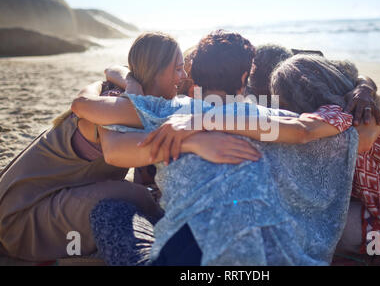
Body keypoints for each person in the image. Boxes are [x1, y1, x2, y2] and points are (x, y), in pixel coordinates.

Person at [73, 30, 380, 265]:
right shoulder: (270, 119)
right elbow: (343, 132)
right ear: (246, 76)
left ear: (193, 74)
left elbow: (87, 106)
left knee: (111, 211)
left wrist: (132, 88)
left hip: (190, 254)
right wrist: (362, 90)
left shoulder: (172, 111)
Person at [0, 31, 258, 262]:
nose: (184, 77)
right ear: (156, 70)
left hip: (46, 196)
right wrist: (196, 141)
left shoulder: (135, 97)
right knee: (137, 198)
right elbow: (116, 152)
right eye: (178, 69)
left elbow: (115, 69)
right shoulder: (116, 105)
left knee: (141, 195)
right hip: (21, 218)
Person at [270, 54, 380, 265]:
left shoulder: (338, 119)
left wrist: (224, 120)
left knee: (329, 228)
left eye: (282, 101)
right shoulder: (362, 104)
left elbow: (302, 132)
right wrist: (365, 86)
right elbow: (363, 79)